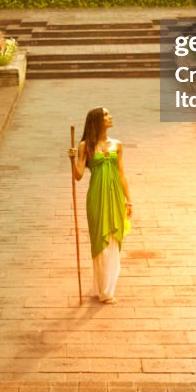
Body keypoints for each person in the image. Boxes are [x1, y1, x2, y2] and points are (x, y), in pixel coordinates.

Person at [68, 106, 132, 304]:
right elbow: (78, 176)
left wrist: (128, 199)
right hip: (96, 196)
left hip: (115, 196)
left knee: (113, 240)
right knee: (100, 242)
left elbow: (121, 174)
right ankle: (103, 289)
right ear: (96, 120)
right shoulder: (85, 145)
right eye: (105, 114)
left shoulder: (117, 145)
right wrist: (72, 160)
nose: (110, 116)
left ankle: (106, 288)